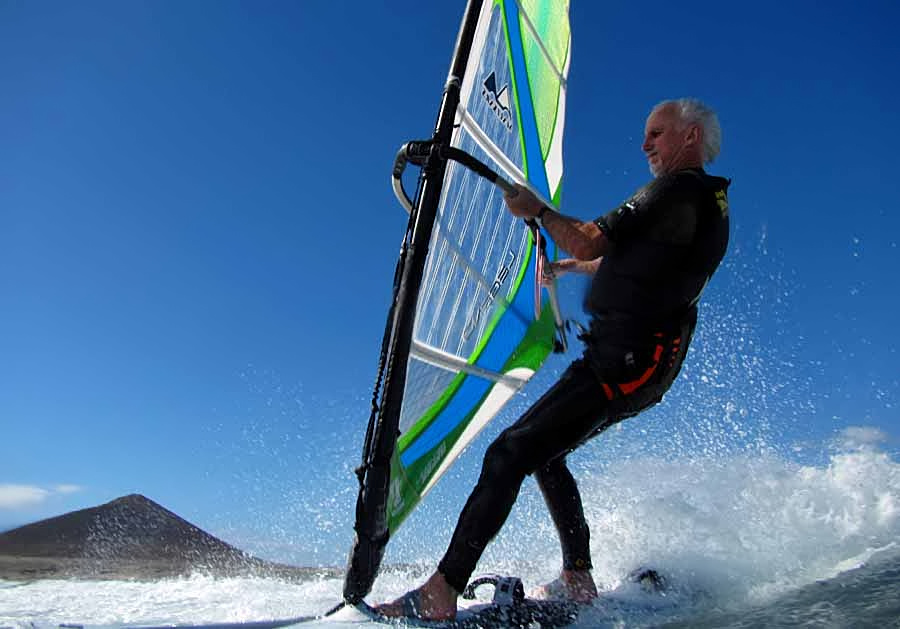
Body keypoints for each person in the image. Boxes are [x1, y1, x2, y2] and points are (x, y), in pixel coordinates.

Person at [376, 97, 731, 621]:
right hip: (631, 362)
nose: (645, 144)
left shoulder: (678, 187)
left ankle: (441, 591)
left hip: (628, 363)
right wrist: (565, 266)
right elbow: (625, 259)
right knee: (543, 454)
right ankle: (577, 578)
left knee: (507, 453)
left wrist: (536, 209)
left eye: (656, 133)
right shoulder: (698, 203)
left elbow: (592, 238)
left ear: (690, 136)